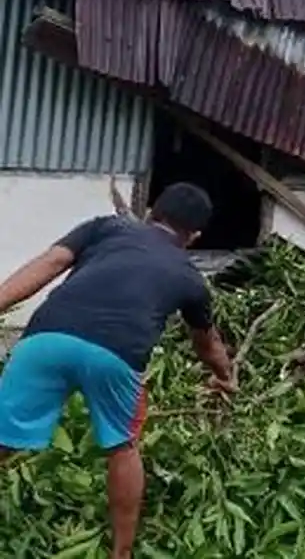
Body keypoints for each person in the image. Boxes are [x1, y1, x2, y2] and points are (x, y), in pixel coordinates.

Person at [0, 182, 235, 559]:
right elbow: (207, 345)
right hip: (117, 355)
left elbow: (50, 264)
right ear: (194, 237)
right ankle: (121, 553)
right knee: (122, 447)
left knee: (2, 436)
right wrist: (224, 377)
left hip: (46, 337)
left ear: (150, 212)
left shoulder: (105, 227)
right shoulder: (190, 277)